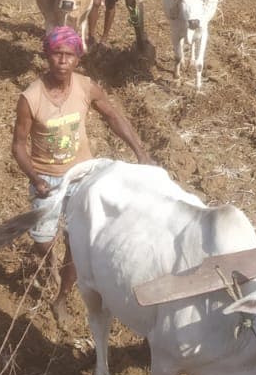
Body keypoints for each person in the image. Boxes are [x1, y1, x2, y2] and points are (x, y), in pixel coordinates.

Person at [13, 25, 154, 255]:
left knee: (77, 241)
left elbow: (113, 116)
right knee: (42, 239)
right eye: (57, 53)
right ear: (47, 56)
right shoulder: (30, 97)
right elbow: (18, 146)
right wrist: (36, 179)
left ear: (78, 59)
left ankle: (65, 289)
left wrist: (141, 152)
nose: (62, 60)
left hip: (81, 174)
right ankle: (48, 266)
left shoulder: (86, 87)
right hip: (47, 179)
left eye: (69, 55)